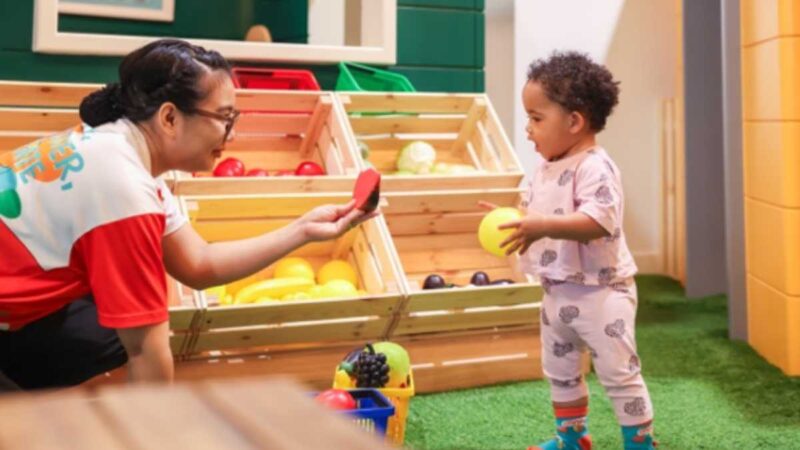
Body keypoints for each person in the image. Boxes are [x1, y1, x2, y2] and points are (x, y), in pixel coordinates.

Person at [0, 39, 375, 390]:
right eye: (225, 118)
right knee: (127, 324)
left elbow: (199, 264)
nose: (231, 135)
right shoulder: (123, 189)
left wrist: (303, 229)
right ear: (169, 118)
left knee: (115, 317)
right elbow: (146, 349)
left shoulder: (113, 149)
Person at [485, 51, 656, 450]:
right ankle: (572, 439)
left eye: (536, 118)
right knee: (559, 371)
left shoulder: (595, 166)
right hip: (557, 290)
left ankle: (641, 443)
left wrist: (540, 224)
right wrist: (515, 218)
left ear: (575, 121)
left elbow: (599, 221)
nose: (528, 129)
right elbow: (541, 216)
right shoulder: (545, 168)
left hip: (602, 293)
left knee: (619, 373)